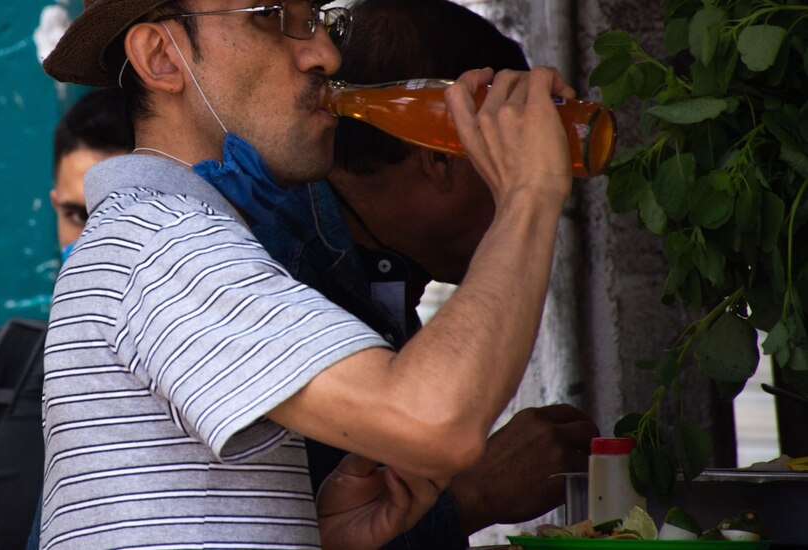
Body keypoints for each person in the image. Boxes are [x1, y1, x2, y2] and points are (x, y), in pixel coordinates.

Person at [40, 0, 579, 546]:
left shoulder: (172, 239)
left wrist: (319, 537)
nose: (324, 53)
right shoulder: (166, 245)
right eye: (271, 16)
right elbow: (436, 423)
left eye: (321, 20)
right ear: (162, 57)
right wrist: (529, 191)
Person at [252, 0, 599, 546]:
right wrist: (473, 493)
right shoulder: (279, 270)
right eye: (506, 156)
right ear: (440, 156)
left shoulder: (376, 273)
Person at [0, 88, 133, 550]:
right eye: (76, 215)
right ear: (54, 205)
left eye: (119, 216)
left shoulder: (208, 378)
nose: (92, 242)